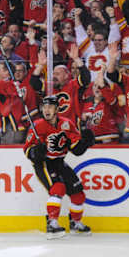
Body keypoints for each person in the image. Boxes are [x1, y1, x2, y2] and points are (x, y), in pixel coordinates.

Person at [24, 95, 94, 239]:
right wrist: (36, 152)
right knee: (58, 188)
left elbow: (76, 149)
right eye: (44, 107)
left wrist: (85, 142)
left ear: (57, 109)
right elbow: (27, 150)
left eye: (50, 107)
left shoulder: (67, 124)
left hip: (59, 161)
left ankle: (75, 223)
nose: (46, 110)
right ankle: (52, 223)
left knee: (78, 193)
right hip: (43, 163)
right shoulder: (37, 126)